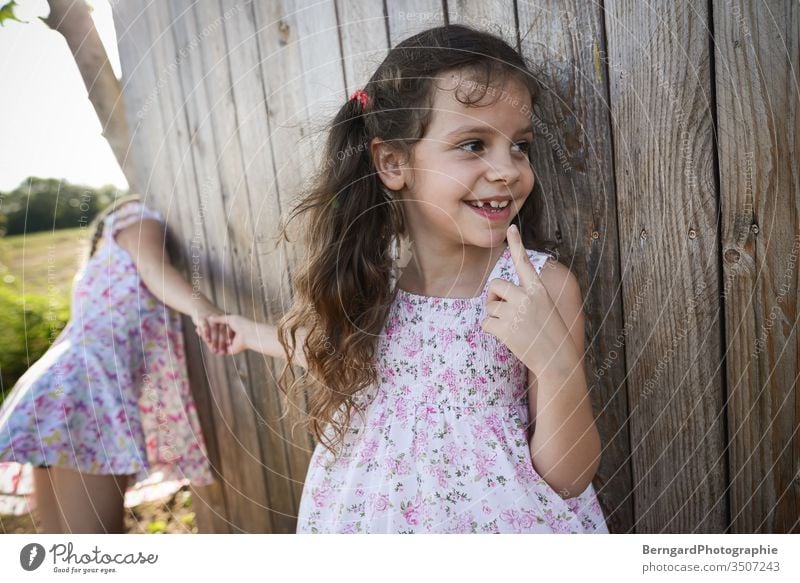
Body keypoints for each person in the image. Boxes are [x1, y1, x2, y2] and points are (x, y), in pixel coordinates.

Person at [202, 24, 609, 533]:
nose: (508, 170)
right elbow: (328, 351)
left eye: (520, 145)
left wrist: (555, 365)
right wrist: (245, 331)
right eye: (473, 144)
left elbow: (569, 479)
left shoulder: (536, 288)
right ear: (393, 162)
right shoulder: (375, 285)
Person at [0, 195, 226, 533]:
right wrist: (205, 310)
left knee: (62, 545)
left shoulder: (99, 267)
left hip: (61, 392)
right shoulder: (137, 217)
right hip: (90, 395)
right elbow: (154, 270)